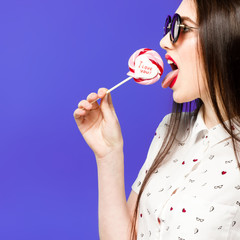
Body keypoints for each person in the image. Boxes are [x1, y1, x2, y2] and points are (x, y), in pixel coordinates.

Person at [73, 0, 240, 239]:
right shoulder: (169, 130)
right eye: (170, 25)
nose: (164, 41)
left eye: (182, 28)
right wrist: (108, 155)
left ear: (226, 36)